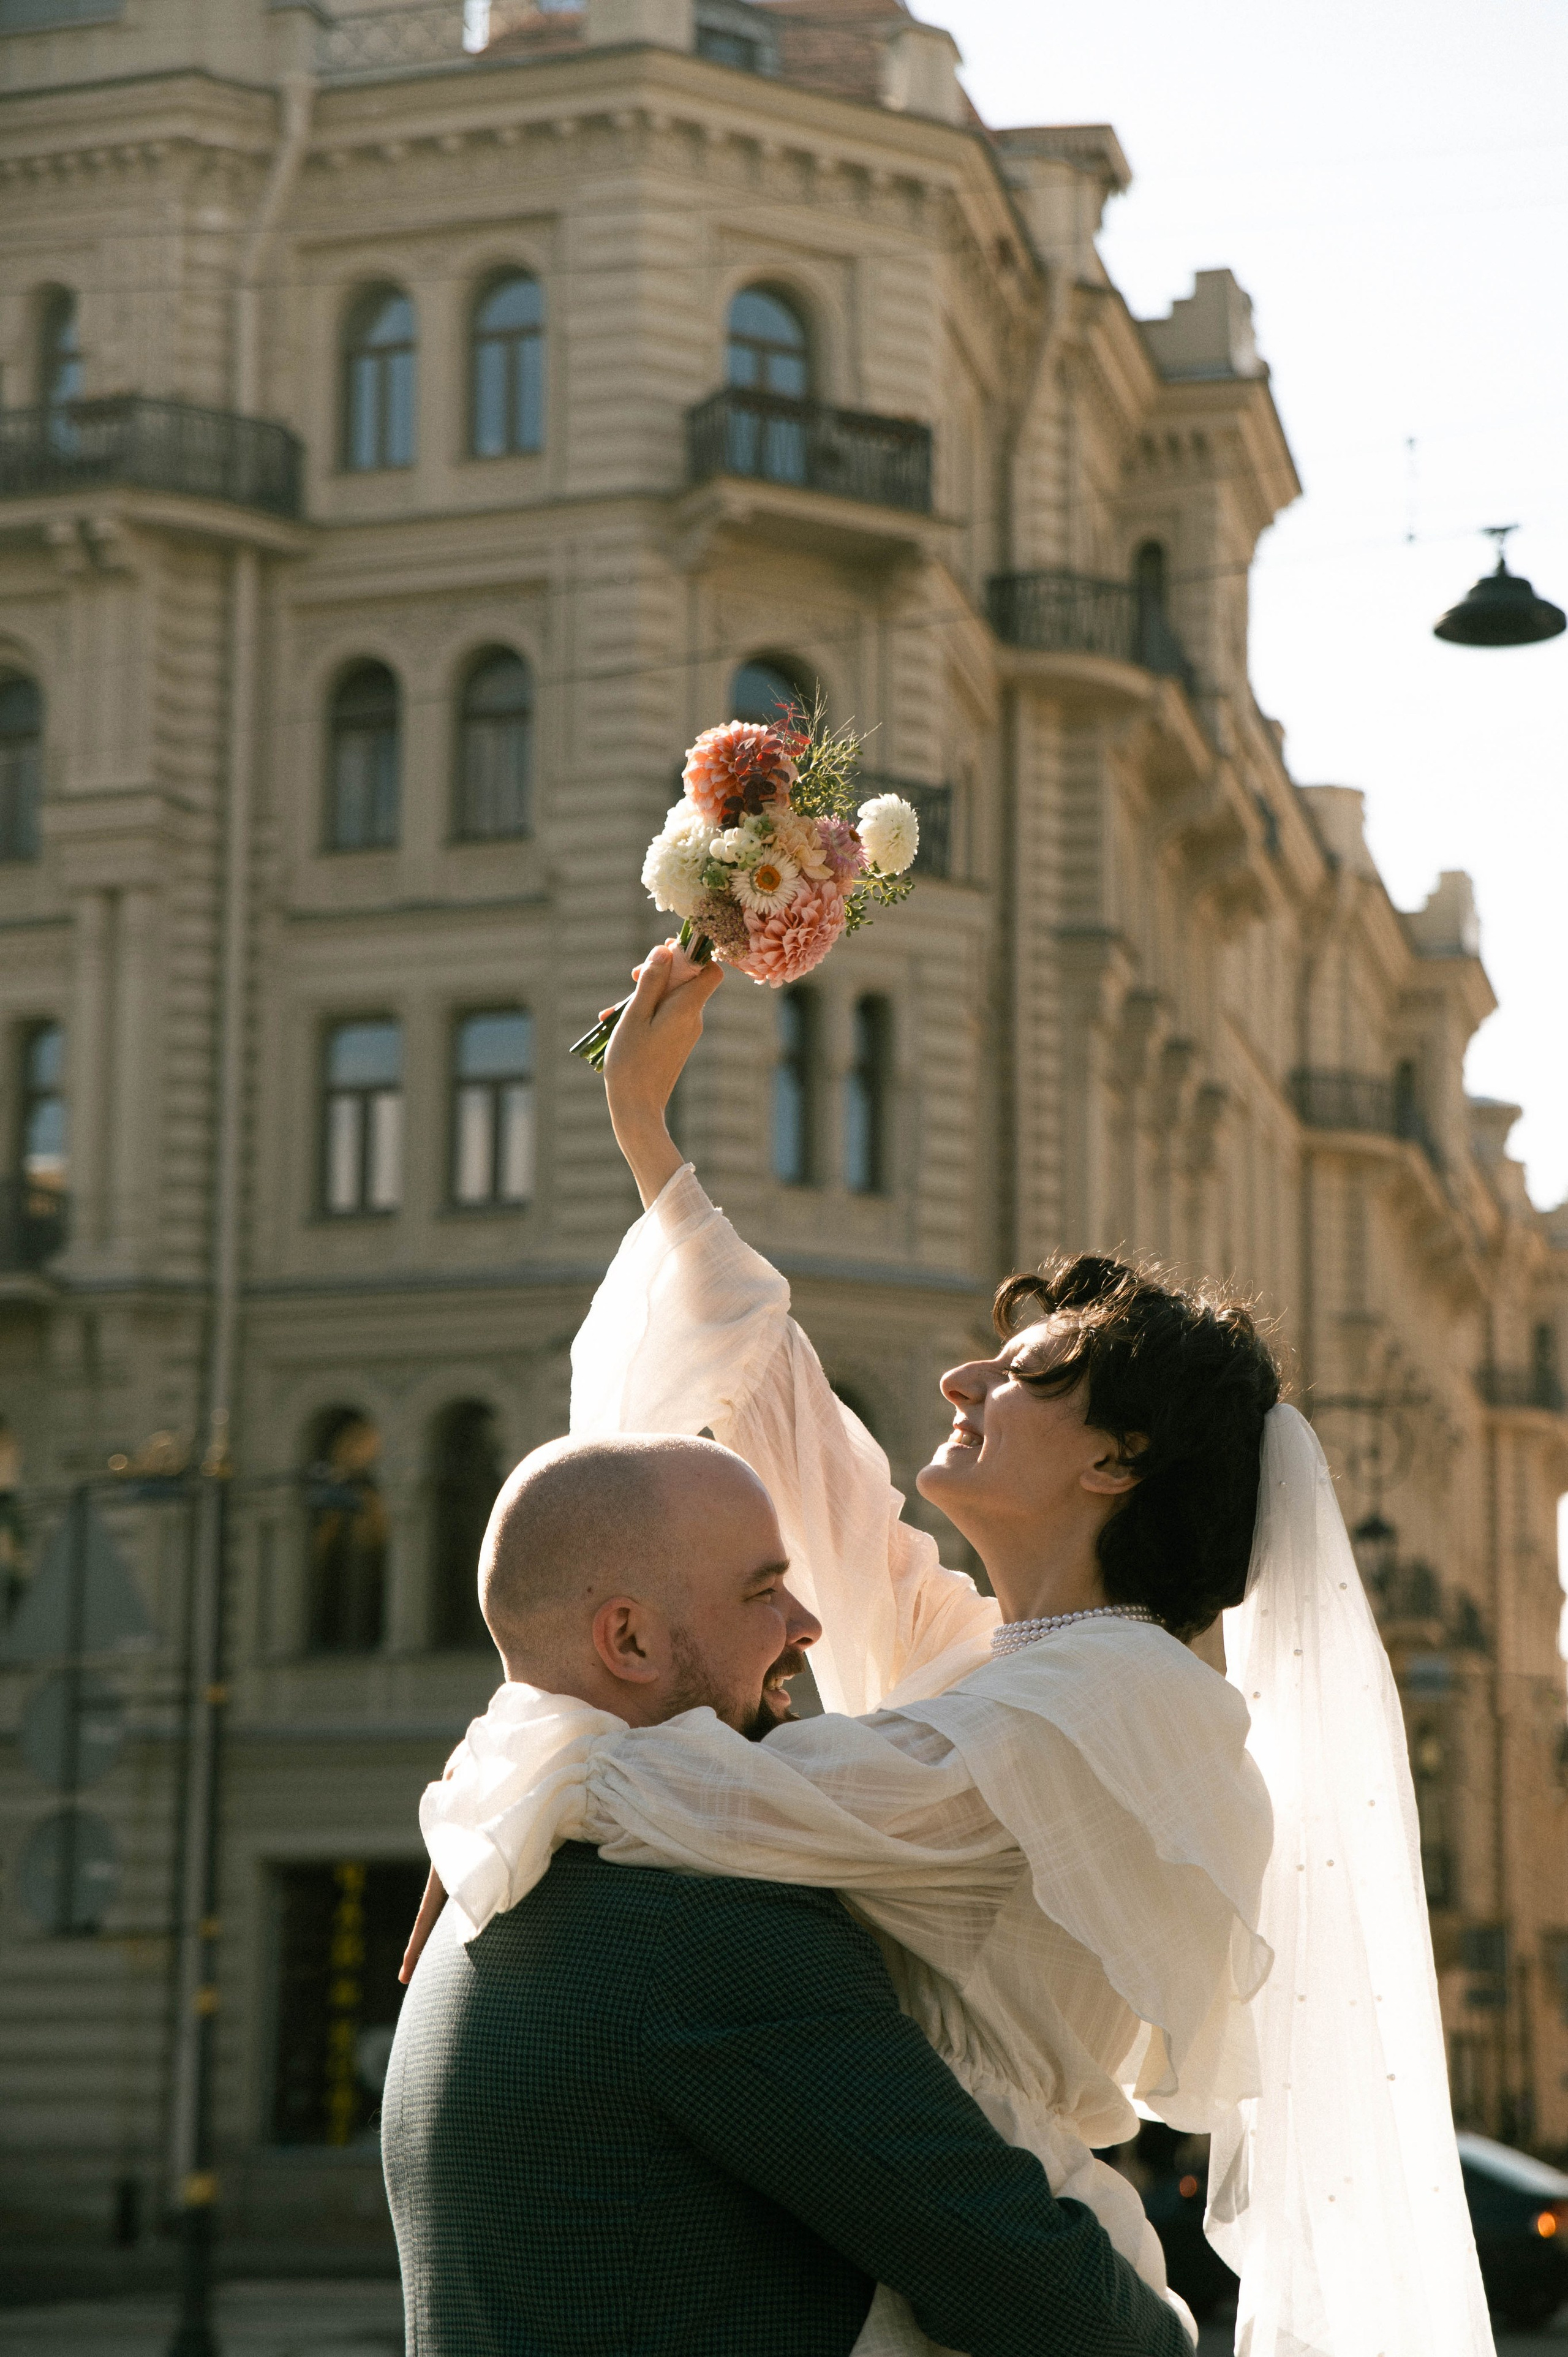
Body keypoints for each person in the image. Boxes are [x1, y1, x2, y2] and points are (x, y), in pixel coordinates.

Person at [414, 944, 1494, 2357]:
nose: (959, 1378)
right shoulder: (990, 1661)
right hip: (884, 2245)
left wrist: (511, 1782)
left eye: (1024, 1371)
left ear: (1118, 1458)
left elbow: (744, 1803)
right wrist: (646, 1133)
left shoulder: (1129, 1701)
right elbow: (787, 1426)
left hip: (980, 2273)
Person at [383, 1431, 1191, 2357]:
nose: (806, 1623)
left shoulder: (493, 1882)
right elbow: (1061, 2309)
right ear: (630, 1638)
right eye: (763, 1591)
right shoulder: (711, 1930)